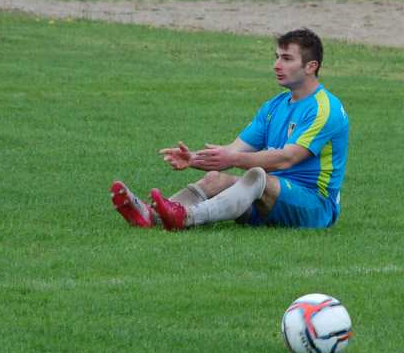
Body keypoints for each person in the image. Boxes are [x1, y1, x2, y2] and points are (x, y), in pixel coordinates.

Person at [110, 28, 349, 231]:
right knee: (215, 179)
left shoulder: (324, 108)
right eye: (276, 57)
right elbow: (234, 151)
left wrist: (234, 158)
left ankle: (186, 217)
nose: (276, 65)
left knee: (257, 176)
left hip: (314, 207)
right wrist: (195, 158)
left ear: (311, 66)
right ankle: (150, 216)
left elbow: (287, 159)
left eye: (286, 59)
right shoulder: (274, 106)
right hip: (270, 198)